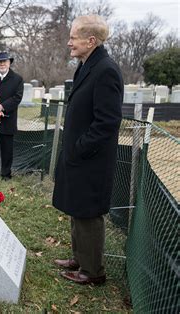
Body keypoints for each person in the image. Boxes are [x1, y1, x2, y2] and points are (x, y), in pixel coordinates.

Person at [52, 15, 123, 285]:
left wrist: (80, 148)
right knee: (77, 208)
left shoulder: (106, 70)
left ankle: (93, 272)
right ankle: (80, 258)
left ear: (90, 40)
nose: (69, 43)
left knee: (89, 214)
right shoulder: (86, 66)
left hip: (90, 159)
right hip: (78, 156)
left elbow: (107, 122)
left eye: (73, 38)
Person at [0, 51, 24, 180]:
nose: (2, 63)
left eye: (5, 61)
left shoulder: (17, 79)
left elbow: (17, 97)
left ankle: (6, 174)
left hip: (8, 119)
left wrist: (2, 107)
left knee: (7, 149)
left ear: (9, 63)